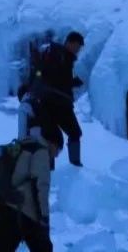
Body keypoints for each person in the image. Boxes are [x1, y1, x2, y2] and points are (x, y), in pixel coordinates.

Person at [0, 125, 63, 252]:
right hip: (21, 208)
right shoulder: (41, 152)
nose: (57, 155)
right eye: (58, 149)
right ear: (52, 143)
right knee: (44, 248)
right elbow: (41, 187)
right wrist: (44, 217)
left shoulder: (25, 144)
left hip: (0, 202)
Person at [29, 32, 85, 166]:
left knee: (57, 136)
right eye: (77, 46)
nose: (78, 50)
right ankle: (71, 166)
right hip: (54, 101)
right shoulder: (59, 54)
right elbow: (54, 77)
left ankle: (55, 169)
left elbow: (56, 77)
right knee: (68, 133)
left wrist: (73, 82)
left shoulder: (63, 57)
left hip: (54, 101)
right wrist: (73, 82)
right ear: (70, 43)